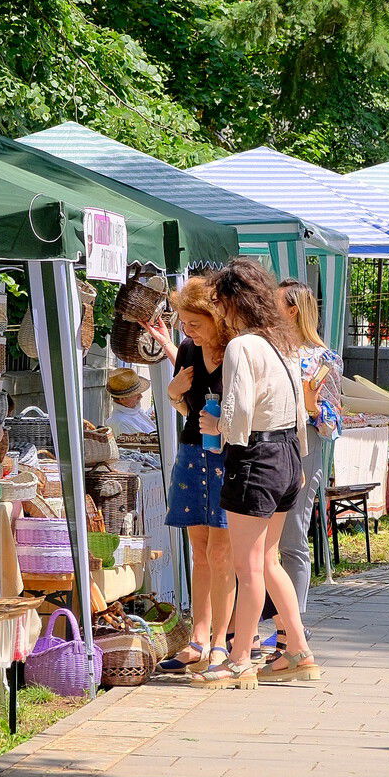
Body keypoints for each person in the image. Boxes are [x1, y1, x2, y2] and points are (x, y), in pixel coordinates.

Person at [194, 259, 320, 688]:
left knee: (247, 566)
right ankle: (299, 650)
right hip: (287, 454)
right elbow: (300, 410)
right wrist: (299, 461)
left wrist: (218, 429)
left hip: (256, 457)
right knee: (269, 561)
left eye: (218, 302)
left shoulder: (242, 347)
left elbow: (240, 408)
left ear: (231, 302)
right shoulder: (284, 343)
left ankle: (240, 658)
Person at [146, 277, 233, 675]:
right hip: (192, 452)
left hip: (230, 458)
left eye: (194, 323)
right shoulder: (186, 349)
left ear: (217, 318)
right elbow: (188, 413)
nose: (188, 331)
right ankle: (197, 640)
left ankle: (221, 642)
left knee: (221, 554)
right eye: (184, 323)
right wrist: (174, 396)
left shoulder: (237, 351)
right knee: (199, 552)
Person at [276, 279, 342, 613]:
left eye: (276, 304)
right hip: (267, 448)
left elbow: (332, 425)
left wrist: (313, 406)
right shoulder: (268, 350)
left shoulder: (322, 359)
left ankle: (294, 624)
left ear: (294, 310)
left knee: (291, 537)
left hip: (305, 449)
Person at [105, 367, 156, 435]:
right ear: (122, 399)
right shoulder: (120, 422)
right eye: (136, 394)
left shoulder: (135, 411)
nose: (140, 396)